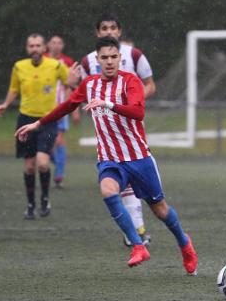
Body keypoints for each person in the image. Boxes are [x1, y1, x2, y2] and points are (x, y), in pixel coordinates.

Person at [15, 36, 197, 275]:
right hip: (110, 159)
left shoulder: (130, 81)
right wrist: (37, 124)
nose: (110, 61)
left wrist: (108, 104)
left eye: (114, 57)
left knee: (160, 210)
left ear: (120, 58)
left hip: (138, 157)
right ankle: (138, 246)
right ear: (97, 59)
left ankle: (184, 244)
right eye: (105, 57)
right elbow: (67, 106)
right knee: (108, 191)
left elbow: (138, 112)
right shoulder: (89, 84)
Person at [81, 13, 157, 247]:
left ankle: (136, 228)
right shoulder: (88, 61)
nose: (108, 32)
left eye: (113, 27)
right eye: (104, 28)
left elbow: (150, 85)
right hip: (105, 124)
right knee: (118, 176)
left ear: (119, 31)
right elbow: (83, 92)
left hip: (130, 122)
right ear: (97, 33)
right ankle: (137, 229)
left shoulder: (134, 55)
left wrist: (130, 103)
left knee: (136, 178)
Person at [0, 33, 78, 219]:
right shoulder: (19, 67)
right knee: (30, 166)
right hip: (25, 120)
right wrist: (5, 105)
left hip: (47, 121)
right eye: (31, 46)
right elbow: (13, 89)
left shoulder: (56, 65)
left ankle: (45, 199)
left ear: (44, 48)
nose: (35, 49)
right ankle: (31, 204)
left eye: (38, 45)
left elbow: (71, 84)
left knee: (42, 163)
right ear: (27, 48)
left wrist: (74, 85)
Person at [45, 35, 79, 188]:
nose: (56, 45)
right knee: (47, 143)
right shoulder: (42, 60)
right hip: (42, 108)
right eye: (53, 42)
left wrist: (74, 109)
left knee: (58, 139)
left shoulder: (68, 62)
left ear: (63, 45)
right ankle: (57, 164)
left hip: (60, 108)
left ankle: (59, 174)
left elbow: (73, 88)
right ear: (48, 45)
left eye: (59, 42)